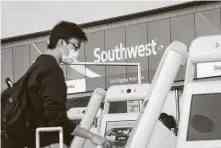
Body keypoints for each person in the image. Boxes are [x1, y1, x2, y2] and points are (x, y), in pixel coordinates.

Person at [23, 21, 111, 148]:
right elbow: (57, 120)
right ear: (61, 43)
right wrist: (92, 136)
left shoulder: (37, 65)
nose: (76, 52)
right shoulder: (52, 71)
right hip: (49, 143)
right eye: (75, 46)